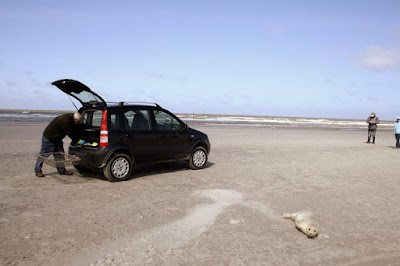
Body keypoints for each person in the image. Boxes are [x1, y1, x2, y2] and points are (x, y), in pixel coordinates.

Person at [34, 112, 83, 177]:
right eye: (78, 121)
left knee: (60, 155)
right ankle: (38, 171)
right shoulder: (66, 121)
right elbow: (69, 133)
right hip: (49, 138)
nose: (78, 123)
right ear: (75, 119)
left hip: (57, 138)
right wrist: (78, 141)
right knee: (44, 155)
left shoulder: (71, 117)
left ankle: (62, 171)